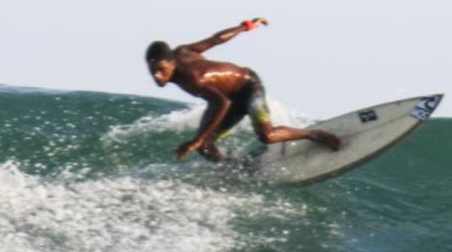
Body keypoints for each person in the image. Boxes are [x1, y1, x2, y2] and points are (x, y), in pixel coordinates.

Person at [146, 18, 341, 161]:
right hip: (228, 95)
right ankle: (235, 167)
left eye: (161, 70)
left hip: (249, 86)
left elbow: (222, 102)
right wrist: (245, 26)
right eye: (152, 70)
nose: (157, 75)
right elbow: (216, 39)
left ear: (172, 62)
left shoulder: (193, 78)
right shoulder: (181, 51)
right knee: (205, 146)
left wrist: (197, 139)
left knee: (267, 135)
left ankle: (314, 135)